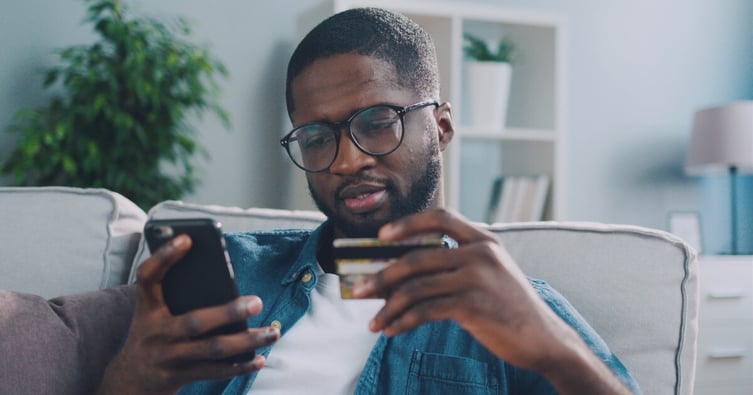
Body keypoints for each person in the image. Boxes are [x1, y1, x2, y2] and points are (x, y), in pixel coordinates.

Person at [98, 7, 641, 395]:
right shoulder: (236, 273)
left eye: (377, 123)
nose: (346, 161)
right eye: (316, 137)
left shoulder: (511, 305)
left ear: (442, 126)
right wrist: (133, 378)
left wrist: (552, 349)